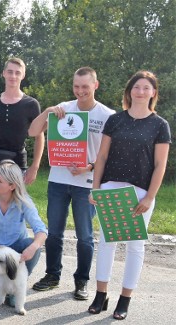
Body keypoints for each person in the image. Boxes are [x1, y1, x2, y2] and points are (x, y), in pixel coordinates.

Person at [87, 71, 170, 320]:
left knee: (135, 246)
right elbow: (101, 157)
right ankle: (101, 294)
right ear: (129, 91)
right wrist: (96, 187)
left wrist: (149, 198)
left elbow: (160, 166)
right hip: (111, 188)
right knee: (106, 242)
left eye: (146, 88)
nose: (141, 92)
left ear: (153, 93)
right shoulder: (115, 120)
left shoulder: (160, 125)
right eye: (137, 87)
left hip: (140, 192)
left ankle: (125, 298)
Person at [28, 67, 115, 300]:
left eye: (85, 86)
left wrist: (91, 166)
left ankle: (81, 281)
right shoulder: (63, 109)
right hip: (58, 180)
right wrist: (47, 111)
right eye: (76, 86)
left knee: (84, 236)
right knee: (54, 232)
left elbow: (112, 154)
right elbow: (33, 130)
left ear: (96, 85)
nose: (80, 91)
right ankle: (52, 275)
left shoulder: (108, 115)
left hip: (86, 183)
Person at [0, 58, 44, 192]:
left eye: (17, 72)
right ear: (3, 73)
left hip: (17, 166)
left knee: (15, 210)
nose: (13, 76)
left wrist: (34, 167)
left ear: (23, 75)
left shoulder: (31, 104)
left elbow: (39, 137)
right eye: (10, 72)